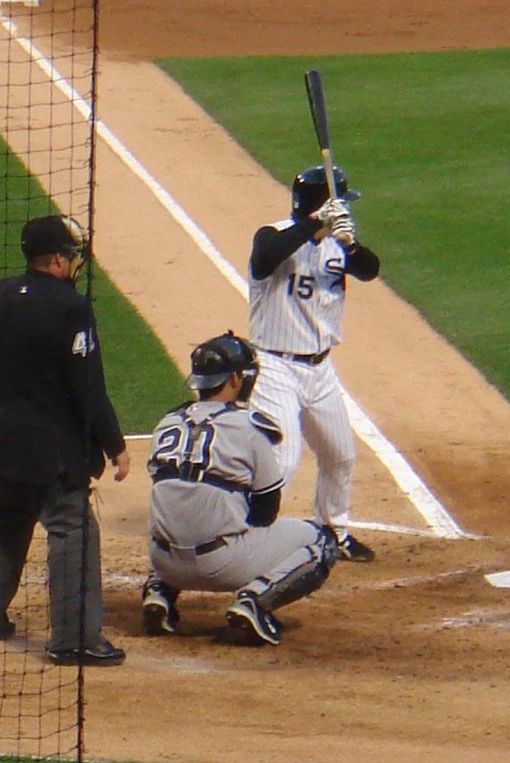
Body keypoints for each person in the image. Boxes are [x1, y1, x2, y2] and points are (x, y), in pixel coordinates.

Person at [0, 214, 131, 667]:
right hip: (56, 445)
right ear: (56, 258)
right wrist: (114, 443)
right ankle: (74, 639)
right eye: (72, 256)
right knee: (71, 528)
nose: (75, 264)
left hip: (8, 436)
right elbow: (87, 383)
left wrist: (1, 424)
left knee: (4, 522)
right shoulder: (71, 307)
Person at [140, 331, 339, 646]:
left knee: (180, 503)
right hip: (221, 566)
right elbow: (266, 510)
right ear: (235, 379)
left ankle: (159, 593)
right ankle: (254, 602)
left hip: (164, 562)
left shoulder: (166, 423)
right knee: (322, 541)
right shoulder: (249, 426)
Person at [246, 164, 381, 562]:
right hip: (274, 367)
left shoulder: (338, 243)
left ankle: (331, 529)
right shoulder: (272, 235)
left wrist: (350, 246)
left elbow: (371, 271)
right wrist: (314, 227)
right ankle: (250, 537)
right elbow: (265, 259)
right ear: (320, 206)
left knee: (340, 454)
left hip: (320, 370)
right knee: (282, 462)